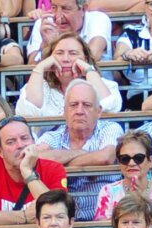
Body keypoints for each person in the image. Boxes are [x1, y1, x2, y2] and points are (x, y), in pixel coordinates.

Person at [32, 78, 123, 220]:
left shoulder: (110, 128)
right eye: (74, 105)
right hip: (65, 222)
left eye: (86, 105)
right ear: (64, 111)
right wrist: (82, 154)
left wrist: (60, 166)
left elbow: (105, 158)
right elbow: (35, 158)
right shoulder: (53, 136)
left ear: (98, 111)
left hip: (105, 221)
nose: (79, 111)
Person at [0, 117, 68, 228]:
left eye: (25, 138)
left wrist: (27, 171)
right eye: (11, 142)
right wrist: (24, 216)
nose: (20, 145)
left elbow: (56, 212)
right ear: (0, 151)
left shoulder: (54, 168)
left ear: (34, 142)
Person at [19, 32, 121, 119]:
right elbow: (27, 112)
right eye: (59, 53)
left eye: (73, 53)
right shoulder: (40, 87)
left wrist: (89, 70)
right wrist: (40, 68)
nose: (65, 59)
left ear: (85, 59)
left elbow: (109, 106)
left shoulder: (105, 85)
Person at [93, 131, 152, 222]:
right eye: (125, 159)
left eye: (138, 158)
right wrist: (128, 205)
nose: (131, 163)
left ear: (150, 160)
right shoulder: (108, 191)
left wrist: (143, 202)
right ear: (119, 161)